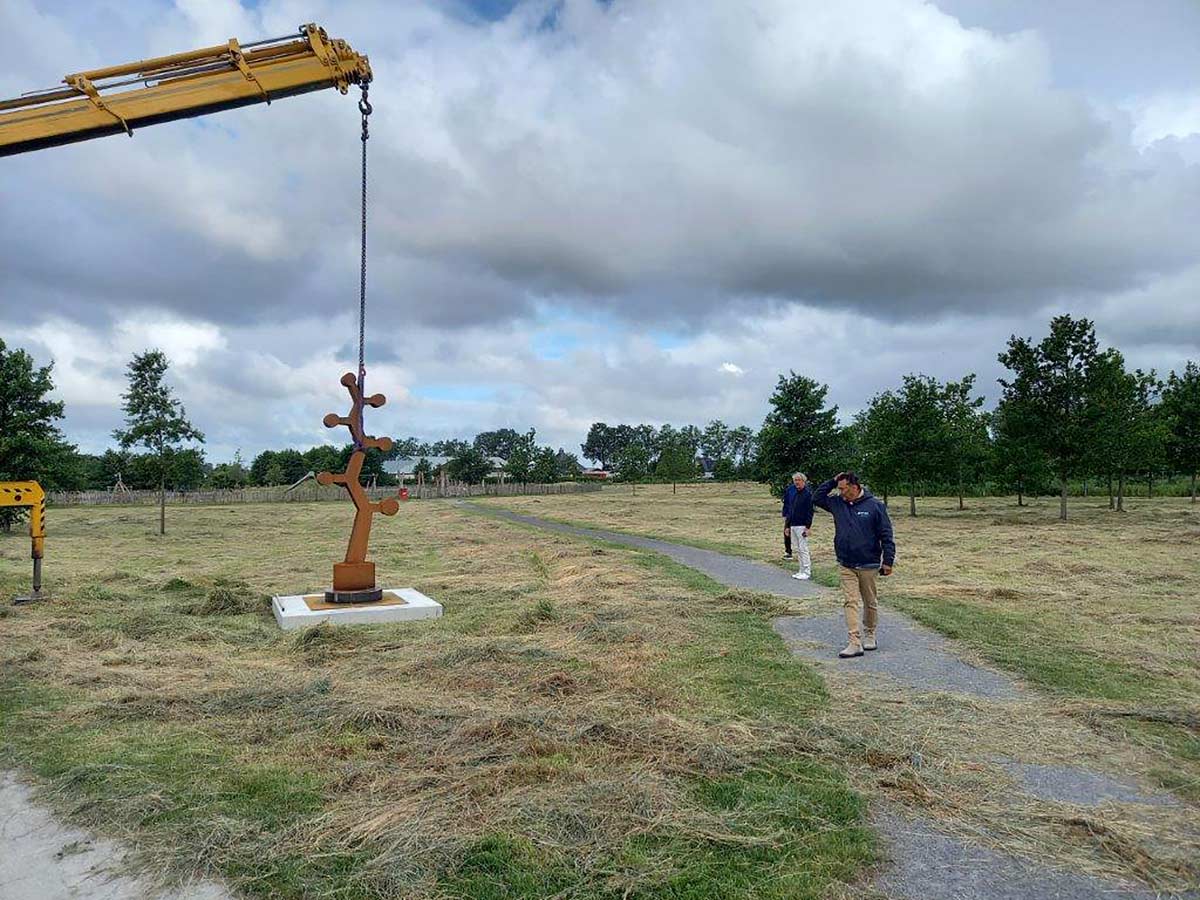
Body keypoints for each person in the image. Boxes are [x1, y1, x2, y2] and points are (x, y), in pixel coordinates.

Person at [812, 471, 895, 658]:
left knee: (870, 601)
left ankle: (870, 634)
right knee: (850, 601)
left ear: (855, 487)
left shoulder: (875, 506)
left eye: (843, 488)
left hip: (869, 563)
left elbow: (886, 534)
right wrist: (833, 481)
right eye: (838, 488)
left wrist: (888, 560)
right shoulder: (837, 503)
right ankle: (854, 641)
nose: (840, 492)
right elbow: (816, 497)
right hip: (846, 563)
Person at [783, 472, 813, 579]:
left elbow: (810, 512)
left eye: (798, 480)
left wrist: (808, 527)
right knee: (797, 549)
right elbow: (790, 511)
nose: (796, 482)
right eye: (795, 480)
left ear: (803, 481)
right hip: (793, 525)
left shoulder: (808, 494)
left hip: (802, 525)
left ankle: (807, 571)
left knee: (803, 548)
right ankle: (801, 570)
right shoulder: (794, 494)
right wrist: (787, 526)